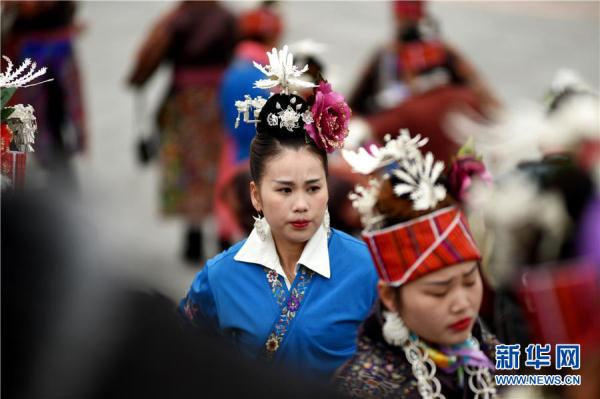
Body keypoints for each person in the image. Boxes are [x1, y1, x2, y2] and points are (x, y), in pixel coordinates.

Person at [179, 45, 379, 382]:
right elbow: (181, 358)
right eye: (284, 190)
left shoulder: (368, 270)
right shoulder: (220, 277)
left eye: (313, 188)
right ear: (256, 195)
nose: (300, 204)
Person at [335, 130, 499, 398]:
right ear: (389, 296)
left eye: (469, 281)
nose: (462, 303)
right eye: (439, 291)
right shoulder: (364, 386)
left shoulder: (484, 343)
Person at [127, 1, 237, 263]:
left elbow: (149, 58)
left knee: (190, 166)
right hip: (221, 99)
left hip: (185, 103)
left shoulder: (177, 19)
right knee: (219, 163)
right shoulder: (227, 17)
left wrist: (139, 79)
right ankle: (224, 232)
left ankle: (193, 235)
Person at [349, 0, 499, 117]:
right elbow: (354, 102)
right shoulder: (384, 55)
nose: (407, 21)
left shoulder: (442, 52)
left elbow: (481, 94)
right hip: (393, 127)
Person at [1, 0, 88, 190]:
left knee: (33, 112)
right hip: (50, 46)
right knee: (47, 114)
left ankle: (50, 166)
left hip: (36, 49)